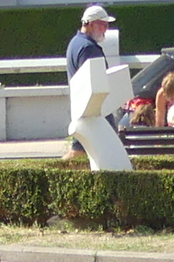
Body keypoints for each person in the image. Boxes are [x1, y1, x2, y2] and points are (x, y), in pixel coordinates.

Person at [61, 3, 112, 158]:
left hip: (84, 108)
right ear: (90, 24)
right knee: (79, 154)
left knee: (83, 154)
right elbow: (95, 80)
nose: (106, 29)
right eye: (103, 25)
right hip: (92, 110)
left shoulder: (76, 42)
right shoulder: (88, 48)